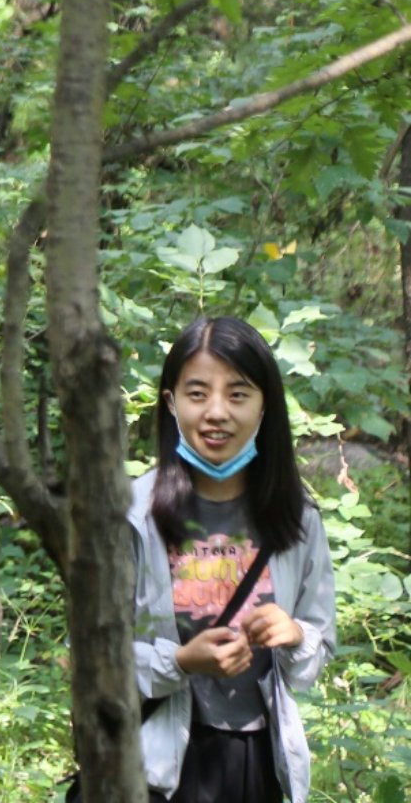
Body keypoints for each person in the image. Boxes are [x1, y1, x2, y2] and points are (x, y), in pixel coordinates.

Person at [130, 316, 334, 803]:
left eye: (238, 394)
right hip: (159, 761)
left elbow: (316, 650)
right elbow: (94, 658)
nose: (217, 412)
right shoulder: (133, 515)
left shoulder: (297, 518)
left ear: (265, 405)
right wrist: (181, 661)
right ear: (171, 403)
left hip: (258, 761)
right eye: (198, 394)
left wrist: (294, 635)